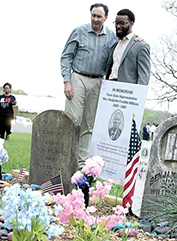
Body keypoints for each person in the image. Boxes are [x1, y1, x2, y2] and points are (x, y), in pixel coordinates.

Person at [61, 3, 117, 167]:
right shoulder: (79, 31)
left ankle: (80, 164)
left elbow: (125, 44)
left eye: (99, 16)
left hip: (99, 81)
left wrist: (136, 38)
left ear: (105, 18)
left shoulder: (112, 36)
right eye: (93, 15)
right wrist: (67, 81)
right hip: (78, 78)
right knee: (73, 121)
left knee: (89, 124)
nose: (95, 19)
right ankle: (65, 158)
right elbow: (66, 57)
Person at [107, 9, 151, 85]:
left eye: (122, 23)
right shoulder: (114, 43)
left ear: (131, 23)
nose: (118, 26)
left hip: (127, 92)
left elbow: (144, 75)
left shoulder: (140, 46)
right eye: (116, 23)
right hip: (110, 88)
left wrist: (139, 94)